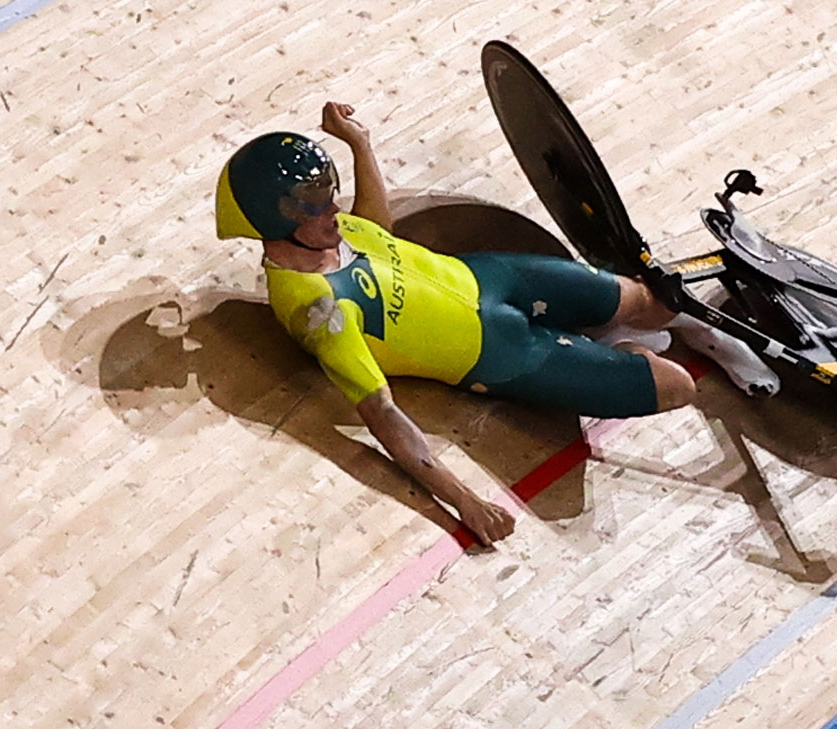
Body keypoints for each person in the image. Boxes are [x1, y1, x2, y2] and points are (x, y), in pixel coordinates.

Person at [214, 102, 778, 546]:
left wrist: (360, 143)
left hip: (495, 279)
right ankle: (614, 343)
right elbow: (383, 415)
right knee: (676, 386)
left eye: (329, 195)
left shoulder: (332, 230)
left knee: (657, 300)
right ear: (274, 221)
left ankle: (689, 333)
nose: (333, 210)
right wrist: (464, 501)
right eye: (316, 205)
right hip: (502, 355)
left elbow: (377, 229)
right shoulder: (319, 311)